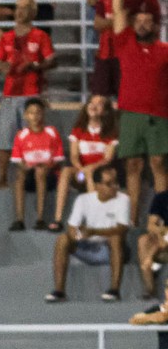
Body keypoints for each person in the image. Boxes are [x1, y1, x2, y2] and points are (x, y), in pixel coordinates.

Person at [111, 0, 168, 226]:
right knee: (132, 166)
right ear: (134, 24)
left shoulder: (164, 50)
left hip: (159, 114)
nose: (144, 24)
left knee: (158, 163)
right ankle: (132, 219)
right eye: (139, 21)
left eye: (148, 21)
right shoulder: (125, 43)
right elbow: (116, 12)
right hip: (131, 114)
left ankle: (160, 219)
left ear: (156, 25)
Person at [0, 0, 56, 191]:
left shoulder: (40, 36)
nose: (19, 12)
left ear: (32, 13)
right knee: (4, 137)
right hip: (10, 93)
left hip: (32, 93)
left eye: (24, 8)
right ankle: (1, 178)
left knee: (34, 137)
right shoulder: (6, 37)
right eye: (17, 8)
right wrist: (2, 67)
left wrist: (34, 66)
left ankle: (35, 178)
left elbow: (52, 61)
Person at [46, 165, 130, 302]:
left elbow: (122, 229)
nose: (114, 186)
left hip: (109, 250)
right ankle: (59, 291)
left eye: (116, 182)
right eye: (109, 184)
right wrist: (79, 236)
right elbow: (72, 227)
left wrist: (93, 231)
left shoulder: (123, 199)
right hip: (86, 246)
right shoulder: (83, 200)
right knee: (62, 239)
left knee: (115, 238)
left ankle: (114, 290)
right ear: (97, 185)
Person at [51, 95, 118, 232]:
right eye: (91, 102)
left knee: (92, 173)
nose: (93, 105)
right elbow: (74, 155)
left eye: (99, 104)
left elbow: (108, 158)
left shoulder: (111, 132)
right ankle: (58, 219)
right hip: (80, 171)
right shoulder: (78, 130)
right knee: (65, 171)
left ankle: (94, 219)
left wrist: (91, 168)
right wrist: (81, 168)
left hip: (100, 172)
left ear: (105, 111)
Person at [8, 98, 65, 231]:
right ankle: (19, 220)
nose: (35, 116)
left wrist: (47, 166)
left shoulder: (51, 132)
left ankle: (40, 219)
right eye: (31, 113)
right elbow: (17, 160)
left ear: (43, 114)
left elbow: (58, 158)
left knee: (40, 171)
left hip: (49, 175)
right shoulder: (21, 135)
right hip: (29, 174)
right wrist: (26, 167)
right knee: (19, 174)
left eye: (38, 112)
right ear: (25, 115)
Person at [138, 188, 168, 298]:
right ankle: (149, 288)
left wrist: (163, 232)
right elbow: (150, 225)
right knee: (143, 240)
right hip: (163, 242)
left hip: (165, 240)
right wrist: (161, 235)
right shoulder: (162, 197)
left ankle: (149, 260)